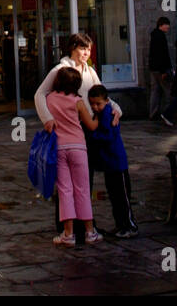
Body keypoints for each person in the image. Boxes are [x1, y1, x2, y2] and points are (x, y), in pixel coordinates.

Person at [34, 32, 120, 242]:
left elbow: (102, 95)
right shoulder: (60, 71)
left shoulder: (89, 71)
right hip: (68, 131)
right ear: (72, 48)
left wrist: (117, 109)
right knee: (66, 185)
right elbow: (40, 94)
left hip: (86, 132)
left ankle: (83, 228)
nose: (86, 53)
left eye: (88, 49)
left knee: (83, 182)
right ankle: (67, 228)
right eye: (82, 49)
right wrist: (47, 119)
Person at [47, 65, 101, 246]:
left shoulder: (50, 99)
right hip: (78, 147)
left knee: (64, 190)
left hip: (59, 148)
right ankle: (89, 231)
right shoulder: (77, 101)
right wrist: (102, 113)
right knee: (83, 189)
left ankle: (68, 233)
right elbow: (91, 126)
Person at [86, 85, 137, 238]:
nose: (95, 107)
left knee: (122, 196)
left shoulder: (107, 114)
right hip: (109, 164)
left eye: (98, 104)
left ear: (106, 101)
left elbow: (107, 136)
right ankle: (120, 225)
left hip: (116, 162)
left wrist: (90, 135)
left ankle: (129, 225)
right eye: (92, 104)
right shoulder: (100, 114)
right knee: (114, 196)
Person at [147, 17, 173, 120]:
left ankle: (152, 113)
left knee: (155, 91)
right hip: (160, 69)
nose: (168, 27)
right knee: (168, 91)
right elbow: (161, 54)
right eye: (167, 24)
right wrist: (164, 70)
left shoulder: (154, 35)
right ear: (161, 25)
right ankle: (166, 114)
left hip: (153, 68)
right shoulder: (160, 36)